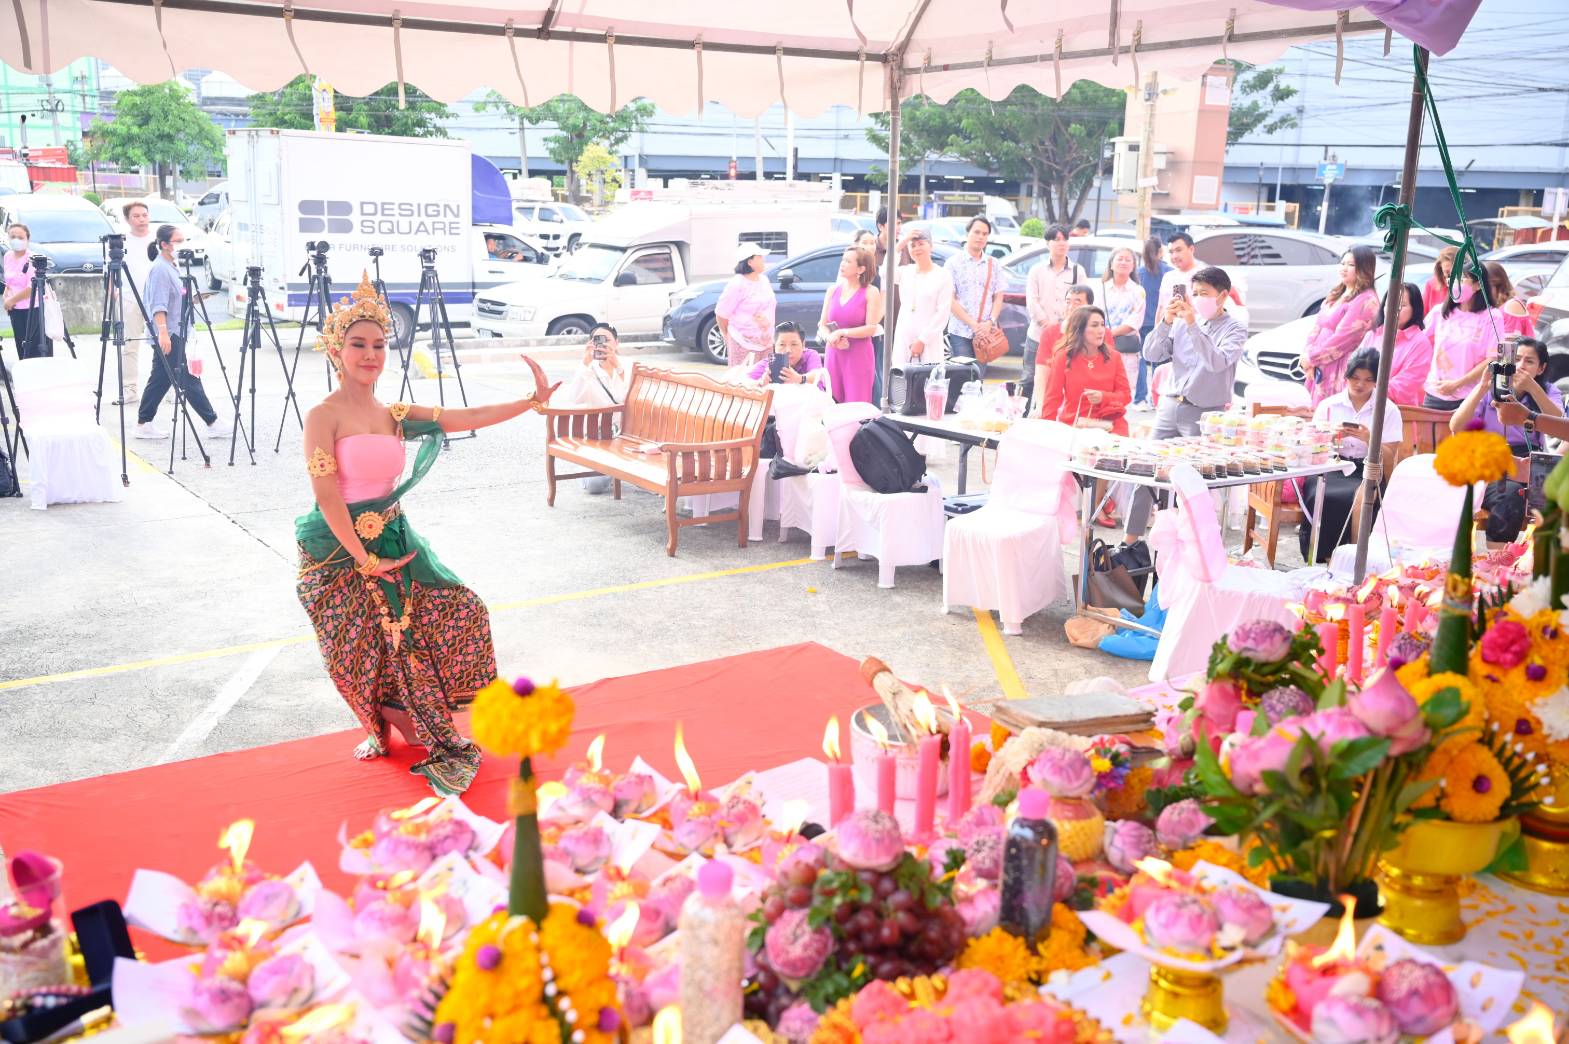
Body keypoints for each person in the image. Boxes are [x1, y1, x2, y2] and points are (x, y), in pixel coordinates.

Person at [296, 273, 559, 795]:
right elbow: (327, 496)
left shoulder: (392, 413)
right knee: (359, 646)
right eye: (358, 344)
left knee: (456, 611)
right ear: (336, 349)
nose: (370, 355)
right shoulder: (322, 415)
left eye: (379, 345)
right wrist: (364, 559)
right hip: (337, 546)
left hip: (394, 538)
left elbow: (465, 416)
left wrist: (530, 402)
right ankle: (386, 719)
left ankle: (410, 714)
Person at [1124, 266, 1248, 540]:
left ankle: (1189, 543)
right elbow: (1151, 353)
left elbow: (1216, 362)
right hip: (1169, 406)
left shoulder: (1235, 328)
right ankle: (1129, 542)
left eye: (1204, 293)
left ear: (1222, 295)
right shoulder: (1180, 322)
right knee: (1147, 472)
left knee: (1193, 483)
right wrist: (1167, 321)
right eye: (1195, 293)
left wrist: (1192, 325)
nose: (1198, 298)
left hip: (1204, 414)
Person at [1451, 337, 1562, 543]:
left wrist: (1532, 388)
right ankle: (1498, 555)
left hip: (1530, 464)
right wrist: (1482, 386)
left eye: (1529, 361)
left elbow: (1558, 425)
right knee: (1512, 494)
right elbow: (1456, 427)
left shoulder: (1547, 390)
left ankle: (1542, 556)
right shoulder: (1490, 388)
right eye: (1516, 359)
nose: (1520, 366)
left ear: (1541, 368)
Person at [1298, 349, 1404, 563]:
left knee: (1361, 499)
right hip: (1331, 467)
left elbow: (1390, 456)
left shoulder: (1388, 410)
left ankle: (1355, 560)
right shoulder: (1329, 405)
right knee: (1320, 495)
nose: (1360, 384)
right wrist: (1329, 436)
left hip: (1368, 469)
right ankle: (1324, 557)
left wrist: (1370, 439)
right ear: (1346, 376)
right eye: (1355, 378)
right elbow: (1310, 446)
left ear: (1377, 381)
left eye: (1368, 379)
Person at [133, 225, 231, 440]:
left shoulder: (173, 266)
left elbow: (175, 297)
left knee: (160, 379)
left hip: (177, 329)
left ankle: (143, 423)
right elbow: (158, 304)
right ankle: (212, 421)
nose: (182, 244)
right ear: (164, 245)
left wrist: (194, 299)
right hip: (169, 332)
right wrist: (163, 333)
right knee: (187, 377)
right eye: (178, 241)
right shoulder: (160, 269)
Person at [1422, 261, 1529, 410]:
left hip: (1469, 397)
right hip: (1435, 393)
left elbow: (1493, 358)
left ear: (1478, 285)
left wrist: (1457, 384)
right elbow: (1420, 341)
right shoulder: (1439, 312)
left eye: (1461, 279)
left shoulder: (1492, 316)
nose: (1455, 284)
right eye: (1452, 278)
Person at [1301, 246, 1380, 407]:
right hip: (1318, 364)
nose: (1344, 268)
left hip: (1338, 365)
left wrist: (1311, 358)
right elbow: (1317, 326)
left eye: (1351, 265)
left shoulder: (1366, 300)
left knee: (1330, 414)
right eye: (1342, 263)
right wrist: (1306, 354)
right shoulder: (1338, 293)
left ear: (1364, 268)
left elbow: (1342, 339)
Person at [562, 322, 630, 494]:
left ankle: (617, 469)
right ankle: (604, 467)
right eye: (597, 340)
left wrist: (618, 368)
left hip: (627, 436)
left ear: (617, 343)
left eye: (607, 340)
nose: (602, 345)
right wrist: (585, 362)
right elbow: (574, 398)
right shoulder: (587, 371)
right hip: (598, 437)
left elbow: (634, 400)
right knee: (595, 485)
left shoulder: (628, 367)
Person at [1023, 225, 1087, 405]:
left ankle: (1052, 416)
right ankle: (1025, 415)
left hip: (1068, 337)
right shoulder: (1037, 270)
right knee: (1030, 379)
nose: (1062, 243)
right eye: (1057, 239)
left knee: (1063, 380)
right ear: (1047, 243)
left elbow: (1083, 303)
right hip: (1038, 335)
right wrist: (1047, 325)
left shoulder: (1078, 271)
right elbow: (1032, 300)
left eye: (1065, 239)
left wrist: (1066, 326)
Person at [818, 245, 883, 404]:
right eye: (843, 260)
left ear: (861, 269)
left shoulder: (871, 292)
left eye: (848, 261)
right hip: (834, 354)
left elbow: (871, 328)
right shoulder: (832, 290)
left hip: (858, 356)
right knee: (832, 402)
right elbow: (823, 324)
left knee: (856, 405)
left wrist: (843, 332)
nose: (842, 264)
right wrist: (831, 339)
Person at [1357, 282, 1432, 408]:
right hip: (1363, 404)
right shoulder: (1373, 334)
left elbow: (1405, 385)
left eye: (1401, 305)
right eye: (1389, 303)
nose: (1393, 309)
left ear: (1415, 309)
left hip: (1397, 410)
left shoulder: (1420, 343)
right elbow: (1355, 366)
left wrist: (1366, 386)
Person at [944, 216, 1003, 371]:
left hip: (985, 334)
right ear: (967, 233)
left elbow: (998, 296)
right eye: (977, 232)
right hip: (960, 332)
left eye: (985, 234)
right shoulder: (953, 263)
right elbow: (950, 299)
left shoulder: (994, 264)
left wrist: (990, 322)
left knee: (978, 376)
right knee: (963, 376)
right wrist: (973, 325)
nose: (980, 237)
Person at [891, 228, 953, 368]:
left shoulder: (943, 275)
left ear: (931, 246)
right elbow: (885, 273)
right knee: (901, 378)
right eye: (912, 245)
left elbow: (942, 313)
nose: (917, 248)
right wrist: (901, 244)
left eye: (921, 244)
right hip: (904, 338)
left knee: (928, 378)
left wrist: (922, 340)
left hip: (929, 342)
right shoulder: (906, 272)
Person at [1100, 246, 1147, 410]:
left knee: (1122, 392)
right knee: (1102, 388)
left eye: (1128, 260)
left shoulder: (1138, 291)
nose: (1123, 262)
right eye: (1119, 259)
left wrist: (1109, 333)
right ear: (1111, 264)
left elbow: (1135, 321)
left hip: (1126, 351)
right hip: (1100, 346)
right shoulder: (1100, 288)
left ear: (1133, 266)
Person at [715, 243, 776, 370]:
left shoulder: (764, 280)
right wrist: (726, 335)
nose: (763, 260)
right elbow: (721, 313)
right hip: (742, 343)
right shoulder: (737, 283)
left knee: (765, 378)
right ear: (750, 262)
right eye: (759, 257)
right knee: (742, 378)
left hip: (766, 343)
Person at [121, 202, 156, 405]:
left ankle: (168, 387)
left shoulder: (158, 240)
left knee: (163, 345)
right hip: (129, 299)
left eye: (145, 214)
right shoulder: (122, 242)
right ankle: (130, 390)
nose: (142, 219)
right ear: (127, 219)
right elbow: (110, 271)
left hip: (156, 300)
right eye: (136, 216)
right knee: (130, 346)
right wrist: (115, 292)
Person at [1134, 235, 1170, 407]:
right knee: (1158, 360)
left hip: (1141, 322)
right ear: (1161, 251)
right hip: (1161, 322)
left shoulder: (1138, 273)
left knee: (1141, 360)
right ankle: (1157, 399)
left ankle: (1140, 398)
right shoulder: (1168, 272)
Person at [2, 223, 45, 359]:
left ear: (27, 239)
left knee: (33, 348)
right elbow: (9, 282)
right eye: (13, 236)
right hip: (15, 309)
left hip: (31, 309)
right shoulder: (7, 256)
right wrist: (6, 298)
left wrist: (11, 300)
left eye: (20, 237)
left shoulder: (32, 259)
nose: (16, 240)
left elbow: (32, 287)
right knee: (20, 345)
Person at [855, 228, 887, 404]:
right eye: (864, 242)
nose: (869, 246)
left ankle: (875, 409)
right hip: (853, 332)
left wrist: (871, 324)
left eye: (872, 242)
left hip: (873, 333)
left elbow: (883, 303)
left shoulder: (880, 272)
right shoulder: (848, 272)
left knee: (874, 374)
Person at [749, 321, 826, 388]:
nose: (788, 350)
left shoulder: (810, 355)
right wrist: (761, 383)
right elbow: (744, 381)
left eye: (794, 344)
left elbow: (817, 375)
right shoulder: (769, 362)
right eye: (782, 345)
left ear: (803, 345)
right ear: (775, 347)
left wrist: (799, 378)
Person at [1155, 231, 1200, 310]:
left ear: (1191, 249)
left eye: (1178, 250)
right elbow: (1161, 307)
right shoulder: (1168, 277)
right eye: (1171, 252)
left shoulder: (1204, 275)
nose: (1174, 256)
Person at [1422, 246, 1457, 316]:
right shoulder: (1431, 285)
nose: (1452, 276)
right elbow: (1422, 314)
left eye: (1455, 272)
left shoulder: (1467, 288)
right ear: (1440, 268)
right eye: (1447, 272)